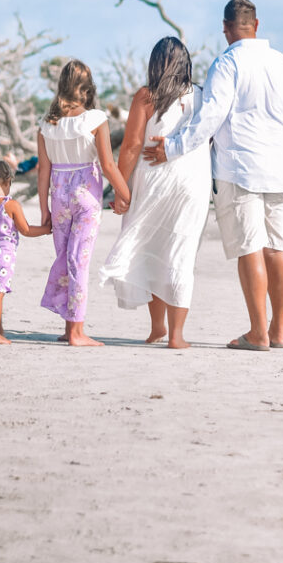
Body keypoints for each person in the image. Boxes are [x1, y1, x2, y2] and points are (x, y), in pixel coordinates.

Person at [143, 0, 283, 351]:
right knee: (279, 248)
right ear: (256, 25)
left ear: (226, 28)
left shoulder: (228, 63)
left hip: (241, 167)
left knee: (250, 249)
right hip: (280, 167)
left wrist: (172, 147)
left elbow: (210, 117)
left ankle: (258, 333)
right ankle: (279, 330)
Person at [100, 37, 211, 349]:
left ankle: (158, 328)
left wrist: (120, 188)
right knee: (180, 253)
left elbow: (132, 145)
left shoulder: (147, 96)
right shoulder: (202, 96)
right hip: (193, 182)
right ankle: (174, 335)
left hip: (153, 182)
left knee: (152, 249)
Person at [38, 59, 130, 347]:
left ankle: (70, 328)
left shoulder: (47, 123)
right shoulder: (95, 119)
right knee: (79, 260)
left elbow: (43, 169)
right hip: (86, 196)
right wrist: (125, 194)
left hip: (59, 194)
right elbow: (107, 164)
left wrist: (44, 209)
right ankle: (77, 332)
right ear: (87, 87)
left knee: (67, 258)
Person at [0, 159, 51, 344]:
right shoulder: (10, 204)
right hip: (2, 256)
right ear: (6, 181)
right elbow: (26, 230)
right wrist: (46, 229)